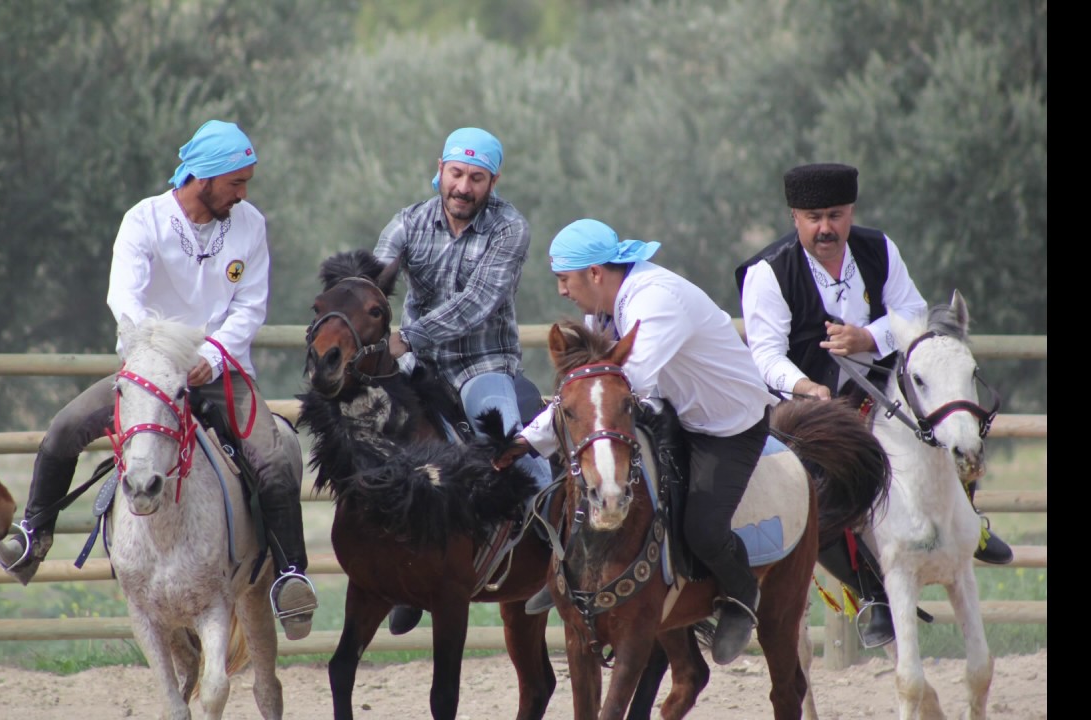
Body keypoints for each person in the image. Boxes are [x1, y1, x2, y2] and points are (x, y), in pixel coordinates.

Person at [0, 120, 318, 642]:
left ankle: (291, 577)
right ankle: (33, 538)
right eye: (236, 182)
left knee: (274, 458)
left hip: (220, 370)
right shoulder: (143, 221)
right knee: (63, 429)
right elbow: (126, 300)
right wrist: (157, 356)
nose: (244, 193)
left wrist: (211, 353)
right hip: (149, 371)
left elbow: (251, 305)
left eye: (247, 182)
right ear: (203, 177)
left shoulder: (250, 224)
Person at [734, 162, 1014, 648]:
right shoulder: (767, 272)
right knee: (813, 496)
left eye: (836, 215)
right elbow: (765, 356)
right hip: (806, 405)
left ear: (850, 212)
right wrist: (806, 389)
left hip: (884, 384)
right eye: (814, 217)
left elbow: (911, 311)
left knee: (948, 421)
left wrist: (868, 335)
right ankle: (872, 594)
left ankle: (971, 524)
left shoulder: (878, 247)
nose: (826, 228)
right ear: (795, 217)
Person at [503, 218, 777, 665]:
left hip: (728, 426)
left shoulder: (656, 301)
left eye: (564, 279)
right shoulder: (606, 306)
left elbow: (620, 386)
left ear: (594, 274)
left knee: (702, 528)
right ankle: (570, 581)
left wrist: (530, 440)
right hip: (672, 412)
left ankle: (742, 595)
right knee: (586, 480)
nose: (562, 292)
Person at [372, 126, 555, 636]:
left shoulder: (509, 228)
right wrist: (358, 312)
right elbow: (375, 282)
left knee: (509, 442)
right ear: (441, 169)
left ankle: (562, 550)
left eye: (477, 178)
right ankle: (402, 577)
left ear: (493, 181)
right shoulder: (408, 222)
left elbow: (480, 303)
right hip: (417, 366)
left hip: (484, 361)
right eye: (456, 174)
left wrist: (408, 337)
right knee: (375, 441)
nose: (463, 187)